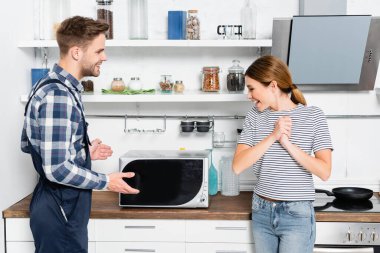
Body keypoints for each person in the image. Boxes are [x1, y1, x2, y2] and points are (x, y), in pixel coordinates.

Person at [21, 16, 139, 253]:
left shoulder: (52, 85)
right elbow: (56, 170)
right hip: (60, 210)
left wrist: (81, 152)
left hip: (59, 207)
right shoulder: (59, 96)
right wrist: (106, 181)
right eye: (99, 51)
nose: (104, 57)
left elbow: (28, 144)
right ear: (76, 52)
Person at [232, 55, 333, 253]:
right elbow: (238, 165)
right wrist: (273, 136)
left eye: (252, 88)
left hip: (296, 214)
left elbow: (324, 171)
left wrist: (287, 144)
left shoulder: (313, 116)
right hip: (262, 210)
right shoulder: (255, 115)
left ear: (272, 86)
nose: (248, 95)